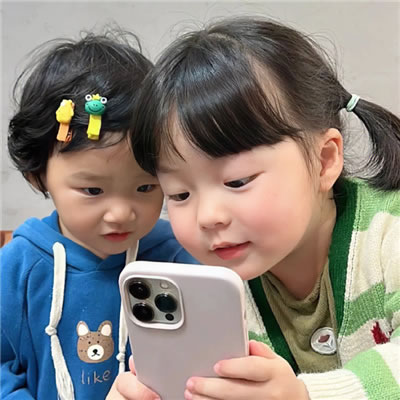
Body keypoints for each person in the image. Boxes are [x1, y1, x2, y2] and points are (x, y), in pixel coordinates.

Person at [115, 16, 400, 399]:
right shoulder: (216, 293)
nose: (207, 217)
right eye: (180, 195)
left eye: (237, 181)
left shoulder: (388, 237)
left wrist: (303, 395)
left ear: (324, 161)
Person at [0, 29, 198, 400]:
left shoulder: (178, 256)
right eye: (93, 191)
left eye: (146, 188)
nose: (121, 214)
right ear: (38, 174)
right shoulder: (17, 267)